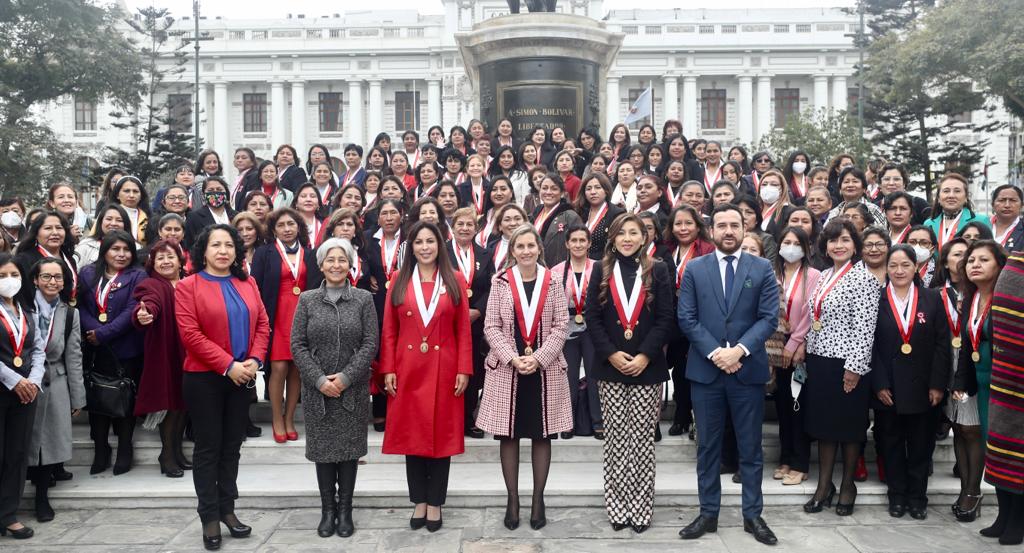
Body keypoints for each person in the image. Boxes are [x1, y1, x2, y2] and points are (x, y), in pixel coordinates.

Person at [677, 204, 780, 545]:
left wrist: (738, 351)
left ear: (745, 227)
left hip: (746, 371)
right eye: (721, 225)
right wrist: (717, 353)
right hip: (706, 373)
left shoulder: (762, 267)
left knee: (750, 448)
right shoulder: (695, 268)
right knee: (708, 447)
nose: (728, 231)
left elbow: (768, 318)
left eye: (734, 225)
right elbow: (687, 318)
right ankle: (708, 514)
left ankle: (753, 515)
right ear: (712, 230)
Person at [176, 224, 269, 551]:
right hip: (205, 379)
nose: (223, 251)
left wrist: (254, 361)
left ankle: (228, 509)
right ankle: (209, 516)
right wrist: (228, 365)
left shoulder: (248, 282)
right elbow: (190, 335)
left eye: (229, 245)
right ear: (203, 251)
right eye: (216, 245)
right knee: (208, 449)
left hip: (243, 377)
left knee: (232, 447)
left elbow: (262, 325)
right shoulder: (188, 286)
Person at [379, 221, 472, 532]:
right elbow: (389, 330)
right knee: (412, 437)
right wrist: (388, 368)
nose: (424, 247)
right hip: (407, 369)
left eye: (430, 241)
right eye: (418, 242)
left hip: (445, 369)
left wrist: (463, 369)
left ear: (439, 245)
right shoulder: (398, 279)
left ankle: (435, 502)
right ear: (411, 247)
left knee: (441, 438)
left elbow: (463, 331)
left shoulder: (455, 279)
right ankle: (418, 500)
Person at [477, 224, 571, 531]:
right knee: (510, 435)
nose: (526, 251)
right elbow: (490, 326)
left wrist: (539, 358)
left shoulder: (553, 281)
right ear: (512, 251)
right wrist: (513, 357)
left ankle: (537, 499)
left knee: (542, 434)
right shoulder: (500, 281)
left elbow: (561, 325)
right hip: (509, 368)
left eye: (531, 246)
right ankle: (513, 499)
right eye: (520, 247)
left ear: (539, 249)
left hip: (544, 371)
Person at [584, 214, 674, 534]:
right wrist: (610, 352)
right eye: (621, 233)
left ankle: (640, 505)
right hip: (611, 367)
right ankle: (618, 504)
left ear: (643, 237)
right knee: (617, 440)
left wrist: (645, 355)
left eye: (633, 232)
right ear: (612, 236)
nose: (627, 238)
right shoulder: (600, 269)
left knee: (641, 441)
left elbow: (666, 319)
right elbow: (591, 317)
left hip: (646, 369)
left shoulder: (658, 270)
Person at [291, 237, 378, 539]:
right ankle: (328, 509)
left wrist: (345, 377)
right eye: (331, 260)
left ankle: (346, 511)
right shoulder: (307, 300)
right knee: (324, 453)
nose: (336, 265)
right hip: (318, 391)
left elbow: (370, 344)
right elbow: (297, 345)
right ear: (322, 265)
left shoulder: (364, 299)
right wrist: (319, 380)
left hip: (351, 390)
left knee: (349, 452)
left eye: (342, 259)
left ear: (350, 263)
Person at [801, 219, 881, 517]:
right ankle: (824, 486)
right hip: (820, 361)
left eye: (846, 240)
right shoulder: (823, 276)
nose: (839, 245)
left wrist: (855, 368)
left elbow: (865, 329)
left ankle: (847, 485)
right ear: (825, 245)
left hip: (848, 365)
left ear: (855, 246)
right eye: (833, 240)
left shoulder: (864, 279)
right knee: (824, 428)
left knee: (847, 429)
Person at [871, 244, 950, 519]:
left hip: (924, 387)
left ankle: (918, 498)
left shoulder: (931, 299)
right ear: (886, 268)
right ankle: (897, 496)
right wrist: (879, 383)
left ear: (916, 267)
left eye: (905, 265)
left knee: (920, 446)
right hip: (888, 389)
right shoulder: (876, 299)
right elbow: (871, 346)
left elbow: (942, 345)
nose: (899, 270)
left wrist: (938, 384)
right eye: (893, 265)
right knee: (890, 445)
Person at [251, 208, 323, 443]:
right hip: (276, 316)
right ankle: (276, 418)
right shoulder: (264, 253)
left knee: (297, 369)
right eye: (281, 225)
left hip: (303, 316)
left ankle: (290, 417)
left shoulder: (310, 255)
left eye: (291, 224)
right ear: (273, 230)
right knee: (279, 367)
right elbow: (256, 288)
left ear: (299, 227)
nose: (287, 229)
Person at [78, 231, 146, 475]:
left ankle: (125, 449)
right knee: (96, 400)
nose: (121, 254)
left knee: (123, 399)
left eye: (126, 249)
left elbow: (132, 310)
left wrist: (104, 333)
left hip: (125, 348)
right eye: (115, 249)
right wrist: (94, 331)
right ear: (104, 251)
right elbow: (81, 306)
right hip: (94, 348)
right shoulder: (87, 273)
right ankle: (101, 448)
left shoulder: (138, 275)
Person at [951, 240, 1007, 522]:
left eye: (983, 260)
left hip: (1003, 385)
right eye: (971, 260)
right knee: (972, 434)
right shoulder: (970, 298)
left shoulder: (1006, 299)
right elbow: (966, 342)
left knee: (999, 446)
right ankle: (974, 494)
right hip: (976, 380)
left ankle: (1001, 510)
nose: (975, 265)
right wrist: (960, 380)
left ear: (1000, 265)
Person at [24, 257, 82, 523]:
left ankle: (42, 498)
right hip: (24, 382)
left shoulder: (70, 313)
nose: (52, 282)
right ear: (35, 279)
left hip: (55, 380)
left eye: (57, 277)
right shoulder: (22, 308)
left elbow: (74, 355)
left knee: (49, 443)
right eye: (46, 276)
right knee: (25, 441)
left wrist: (77, 396)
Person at [131, 240, 188, 478]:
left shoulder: (190, 282)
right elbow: (147, 304)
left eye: (170, 256)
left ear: (180, 260)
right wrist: (144, 315)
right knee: (170, 405)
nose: (165, 261)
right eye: (160, 258)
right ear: (152, 262)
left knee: (185, 404)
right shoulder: (152, 284)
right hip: (166, 352)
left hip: (191, 352)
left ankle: (177, 450)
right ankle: (167, 454)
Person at [771, 226, 821, 486]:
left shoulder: (813, 276)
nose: (790, 247)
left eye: (796, 243)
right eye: (786, 241)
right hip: (774, 350)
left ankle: (801, 463)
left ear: (806, 248)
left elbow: (812, 313)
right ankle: (786, 457)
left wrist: (796, 343)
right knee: (782, 407)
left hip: (799, 352)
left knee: (798, 407)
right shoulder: (772, 273)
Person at [660, 205, 715, 439]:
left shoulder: (707, 250)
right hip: (671, 319)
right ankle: (681, 414)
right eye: (678, 224)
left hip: (698, 318)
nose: (683, 228)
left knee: (691, 369)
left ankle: (691, 417)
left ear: (698, 226)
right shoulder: (665, 251)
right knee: (678, 371)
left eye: (688, 223)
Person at [0, 253, 44, 539]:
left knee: (17, 453)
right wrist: (14, 379)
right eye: (3, 276)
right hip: (5, 387)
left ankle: (8, 514)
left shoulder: (27, 310)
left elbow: (38, 347)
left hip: (26, 392)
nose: (9, 281)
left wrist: (33, 381)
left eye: (14, 275)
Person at [982, 247, 1024, 545]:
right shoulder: (1017, 260)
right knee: (999, 445)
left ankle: (1018, 521)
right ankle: (1003, 515)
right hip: (1004, 370)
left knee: (1019, 451)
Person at [447, 208, 494, 440]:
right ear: (452, 227)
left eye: (469, 225)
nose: (465, 228)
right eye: (460, 224)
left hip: (474, 322)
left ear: (476, 229)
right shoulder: (442, 252)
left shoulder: (485, 254)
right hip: (446, 320)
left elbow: (491, 286)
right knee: (447, 371)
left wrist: (478, 310)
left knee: (472, 370)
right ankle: (449, 420)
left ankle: (469, 419)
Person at [552, 226, 603, 438]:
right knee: (567, 376)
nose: (579, 244)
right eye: (574, 240)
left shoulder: (599, 268)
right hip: (567, 327)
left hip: (592, 327)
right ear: (567, 243)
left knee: (594, 375)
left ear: (589, 243)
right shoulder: (556, 270)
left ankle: (598, 422)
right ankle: (567, 422)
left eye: (583, 240)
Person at [924, 173, 989, 252]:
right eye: (946, 191)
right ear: (938, 198)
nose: (951, 195)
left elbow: (989, 252)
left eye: (957, 191)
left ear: (966, 197)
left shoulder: (981, 221)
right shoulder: (928, 224)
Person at [532, 173, 582, 267]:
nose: (548, 192)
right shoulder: (536, 212)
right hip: (535, 268)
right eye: (545, 188)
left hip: (558, 269)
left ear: (562, 193)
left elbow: (579, 246)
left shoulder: (570, 216)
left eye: (554, 189)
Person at [575, 173, 625, 260]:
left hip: (603, 265)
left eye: (598, 187)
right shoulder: (580, 212)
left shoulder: (616, 213)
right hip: (580, 263)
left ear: (606, 190)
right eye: (588, 189)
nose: (593, 192)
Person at [185, 177, 238, 251]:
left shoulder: (237, 216)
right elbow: (190, 245)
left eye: (219, 189)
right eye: (211, 190)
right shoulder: (194, 217)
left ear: (226, 192)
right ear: (203, 195)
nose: (215, 192)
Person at [75, 204, 130, 269]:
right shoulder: (86, 245)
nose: (113, 223)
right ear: (101, 222)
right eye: (109, 219)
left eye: (119, 220)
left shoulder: (135, 247)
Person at [990, 185, 1023, 250]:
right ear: (993, 205)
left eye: (1013, 200)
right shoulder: (982, 225)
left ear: (1021, 205)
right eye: (1001, 200)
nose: (1007, 205)